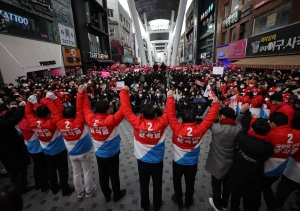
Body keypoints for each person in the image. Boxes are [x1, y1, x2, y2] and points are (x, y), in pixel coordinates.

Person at [166, 90, 220, 209]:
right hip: (192, 164)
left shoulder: (176, 128)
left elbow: (171, 115)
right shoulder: (200, 130)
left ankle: (179, 201)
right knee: (190, 183)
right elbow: (208, 120)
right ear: (194, 120)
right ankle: (188, 201)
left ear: (182, 120)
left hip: (178, 162)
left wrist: (170, 98)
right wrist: (215, 105)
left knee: (177, 182)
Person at [120, 86, 169, 211]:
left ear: (142, 114)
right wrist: (171, 97)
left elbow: (126, 110)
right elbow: (169, 113)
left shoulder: (137, 123)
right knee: (157, 184)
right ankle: (157, 205)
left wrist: (124, 92)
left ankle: (145, 206)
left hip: (142, 161)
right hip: (158, 161)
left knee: (143, 184)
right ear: (155, 115)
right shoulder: (161, 123)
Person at [45, 85, 96, 198]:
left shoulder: (59, 122)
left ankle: (79, 192)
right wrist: (81, 94)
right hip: (84, 151)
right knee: (87, 171)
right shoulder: (78, 121)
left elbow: (56, 112)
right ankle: (89, 191)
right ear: (74, 115)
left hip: (72, 153)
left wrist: (50, 100)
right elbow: (80, 109)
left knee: (76, 172)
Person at [25, 94, 75, 196]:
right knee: (62, 170)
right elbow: (58, 113)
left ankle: (54, 187)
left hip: (46, 151)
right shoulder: (52, 122)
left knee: (51, 169)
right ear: (48, 115)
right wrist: (52, 100)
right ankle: (65, 189)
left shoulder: (32, 122)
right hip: (59, 150)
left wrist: (30, 103)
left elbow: (28, 114)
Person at [81, 90, 126, 203]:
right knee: (114, 174)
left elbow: (86, 109)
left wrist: (83, 94)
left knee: (103, 175)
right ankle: (117, 194)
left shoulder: (89, 119)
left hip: (99, 153)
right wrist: (124, 92)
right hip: (112, 153)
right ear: (108, 110)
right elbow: (124, 109)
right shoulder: (111, 119)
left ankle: (107, 195)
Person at [226, 110, 274, 211]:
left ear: (252, 129)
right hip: (254, 178)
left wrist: (252, 118)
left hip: (237, 174)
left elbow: (243, 130)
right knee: (248, 201)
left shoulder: (243, 139)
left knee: (235, 198)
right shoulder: (269, 148)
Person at [205, 105, 247, 211]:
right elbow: (236, 122)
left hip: (216, 162)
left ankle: (217, 205)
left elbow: (206, 118)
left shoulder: (216, 128)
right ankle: (224, 203)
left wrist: (211, 107)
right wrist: (241, 113)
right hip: (231, 162)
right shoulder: (238, 128)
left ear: (222, 116)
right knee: (227, 185)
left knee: (216, 186)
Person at [261, 113, 300, 211]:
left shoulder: (270, 134)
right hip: (282, 166)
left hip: (268, 167)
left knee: (264, 188)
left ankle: (270, 207)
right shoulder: (298, 134)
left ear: (273, 123)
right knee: (267, 187)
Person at [0, 100, 33, 194]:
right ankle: (22, 187)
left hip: (4, 151)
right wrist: (21, 107)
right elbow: (14, 119)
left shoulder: (2, 123)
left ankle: (14, 186)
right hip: (11, 148)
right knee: (20, 168)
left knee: (11, 170)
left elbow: (5, 120)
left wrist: (11, 110)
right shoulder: (2, 125)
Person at [18, 106, 50, 192]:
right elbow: (34, 125)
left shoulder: (20, 121)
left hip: (30, 147)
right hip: (37, 147)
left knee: (36, 166)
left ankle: (38, 184)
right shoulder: (27, 122)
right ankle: (44, 185)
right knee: (42, 166)